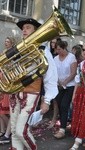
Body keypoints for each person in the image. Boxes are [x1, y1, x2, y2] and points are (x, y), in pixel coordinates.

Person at [8, 18, 58, 150]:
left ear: (36, 31)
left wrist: (46, 101)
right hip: (14, 91)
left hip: (31, 92)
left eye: (28, 27)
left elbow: (51, 77)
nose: (24, 30)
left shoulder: (43, 50)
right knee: (14, 131)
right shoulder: (18, 48)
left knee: (21, 131)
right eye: (23, 28)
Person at [53, 40, 77, 139]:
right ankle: (65, 123)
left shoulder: (71, 57)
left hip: (69, 85)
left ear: (64, 48)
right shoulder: (55, 58)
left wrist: (65, 82)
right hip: (59, 86)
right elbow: (54, 72)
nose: (57, 51)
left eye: (59, 49)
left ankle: (62, 129)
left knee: (64, 105)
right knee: (59, 104)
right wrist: (59, 82)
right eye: (56, 49)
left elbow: (73, 72)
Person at [0, 37, 16, 144]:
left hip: (8, 83)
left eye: (8, 42)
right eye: (5, 42)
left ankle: (8, 132)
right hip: (2, 80)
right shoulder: (3, 52)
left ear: (12, 43)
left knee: (5, 112)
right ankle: (3, 130)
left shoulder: (14, 54)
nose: (6, 43)